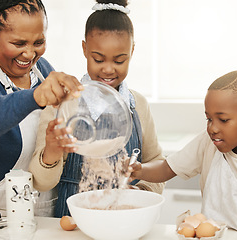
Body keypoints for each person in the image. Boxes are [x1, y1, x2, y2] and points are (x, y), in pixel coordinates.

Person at [29, 0, 165, 217]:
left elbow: (156, 163)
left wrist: (139, 190)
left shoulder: (137, 105)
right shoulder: (62, 104)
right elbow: (40, 182)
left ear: (132, 50)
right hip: (72, 223)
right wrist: (52, 151)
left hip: (124, 219)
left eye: (120, 60)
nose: (108, 69)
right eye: (98, 59)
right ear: (84, 49)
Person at [0, 0, 83, 216]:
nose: (30, 54)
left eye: (38, 42)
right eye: (18, 43)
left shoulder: (42, 71)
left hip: (40, 217)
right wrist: (33, 97)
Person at [128, 70, 237, 233]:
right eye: (209, 119)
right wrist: (139, 170)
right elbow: (166, 169)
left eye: (223, 120)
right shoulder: (206, 144)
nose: (212, 128)